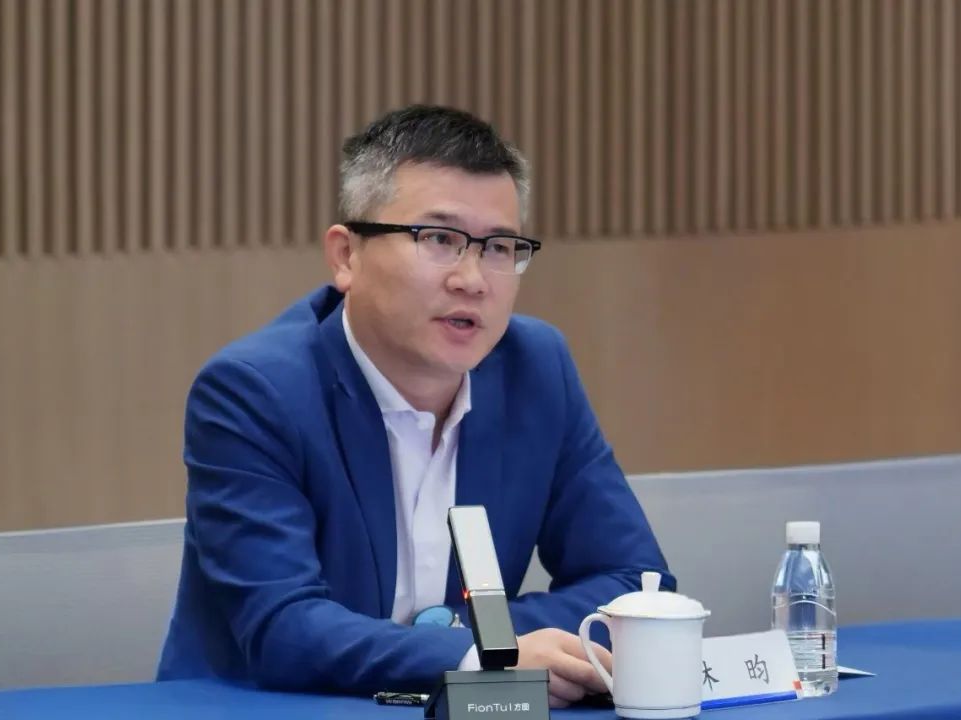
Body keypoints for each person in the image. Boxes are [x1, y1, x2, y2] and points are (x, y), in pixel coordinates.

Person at [156, 105, 674, 706]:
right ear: (346, 256)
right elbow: (284, 630)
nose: (472, 279)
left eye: (499, 246)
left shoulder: (536, 369)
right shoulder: (254, 392)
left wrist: (473, 642)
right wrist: (479, 653)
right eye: (439, 240)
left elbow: (637, 586)